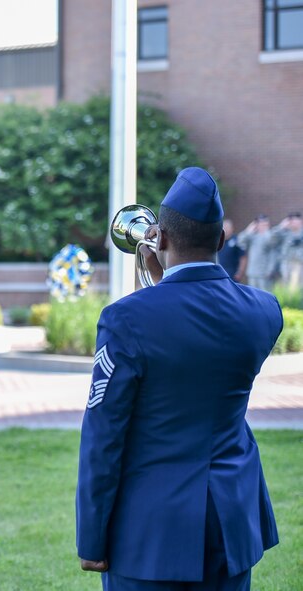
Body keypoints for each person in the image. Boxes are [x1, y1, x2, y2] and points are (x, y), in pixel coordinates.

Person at [77, 167, 282, 590]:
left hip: (148, 532)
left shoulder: (125, 319)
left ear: (161, 239)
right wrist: (163, 280)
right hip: (231, 523)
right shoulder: (265, 311)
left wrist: (92, 537)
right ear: (222, 241)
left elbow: (104, 435)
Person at [237, 215, 274, 291]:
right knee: (253, 294)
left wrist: (270, 270)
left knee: (265, 295)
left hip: (264, 273)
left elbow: (272, 252)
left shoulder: (270, 235)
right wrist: (248, 230)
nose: (261, 226)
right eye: (260, 223)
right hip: (252, 272)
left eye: (264, 224)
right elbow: (240, 241)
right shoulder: (252, 236)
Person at [271, 212, 303, 290]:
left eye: (296, 220)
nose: (293, 223)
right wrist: (281, 226)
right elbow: (271, 238)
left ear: (301, 221)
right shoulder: (284, 233)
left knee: (300, 286)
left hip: (300, 263)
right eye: (291, 221)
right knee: (286, 286)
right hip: (286, 263)